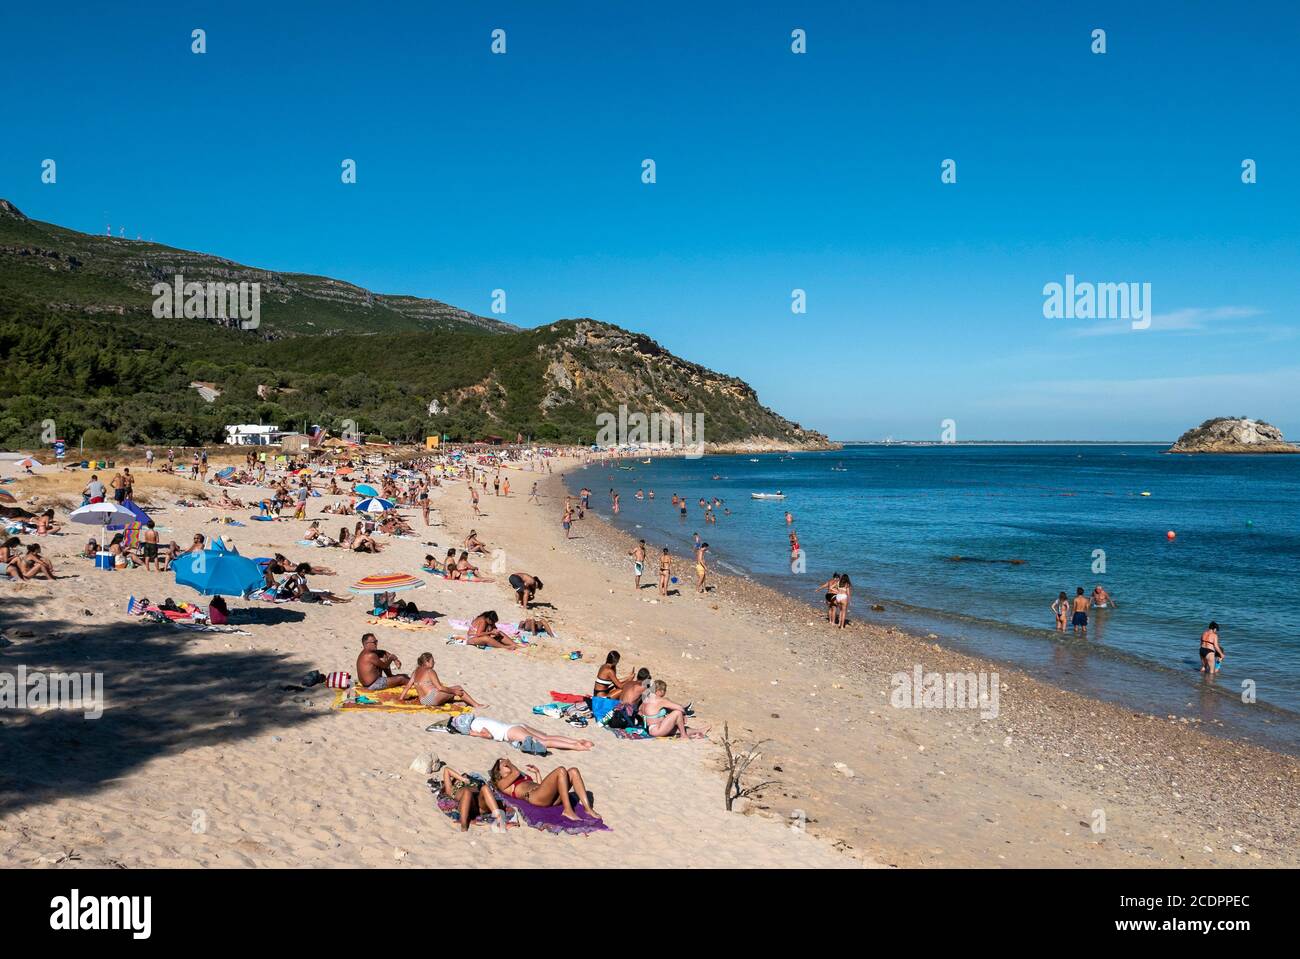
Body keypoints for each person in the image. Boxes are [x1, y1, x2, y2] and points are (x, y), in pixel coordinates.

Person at [487, 756, 599, 821]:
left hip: (545, 796)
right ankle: (568, 810)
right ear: (499, 772)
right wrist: (510, 763)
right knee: (561, 770)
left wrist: (537, 774)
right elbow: (516, 772)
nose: (507, 764)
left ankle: (588, 809)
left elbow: (541, 787)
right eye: (504, 765)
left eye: (506, 763)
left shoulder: (520, 777)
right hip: (536, 798)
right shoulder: (502, 783)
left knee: (573, 771)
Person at [455, 714, 594, 752]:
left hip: (510, 732)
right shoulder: (478, 719)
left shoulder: (475, 726)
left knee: (544, 742)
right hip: (516, 726)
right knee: (546, 736)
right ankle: (577, 741)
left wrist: (473, 734)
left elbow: (488, 735)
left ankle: (576, 746)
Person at [399, 653, 486, 709]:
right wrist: (455, 691)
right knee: (458, 688)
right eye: (432, 661)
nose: (434, 662)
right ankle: (476, 705)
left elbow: (407, 687)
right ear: (427, 662)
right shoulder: (430, 671)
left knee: (448, 691)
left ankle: (458, 702)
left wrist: (401, 698)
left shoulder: (415, 671)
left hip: (423, 701)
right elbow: (439, 688)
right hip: (431, 699)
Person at [439, 766, 507, 832]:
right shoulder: (450, 789)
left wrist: (465, 779)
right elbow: (446, 770)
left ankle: (500, 820)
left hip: (479, 806)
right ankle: (464, 826)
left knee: (485, 788)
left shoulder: (472, 782)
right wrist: (462, 779)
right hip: (466, 807)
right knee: (467, 792)